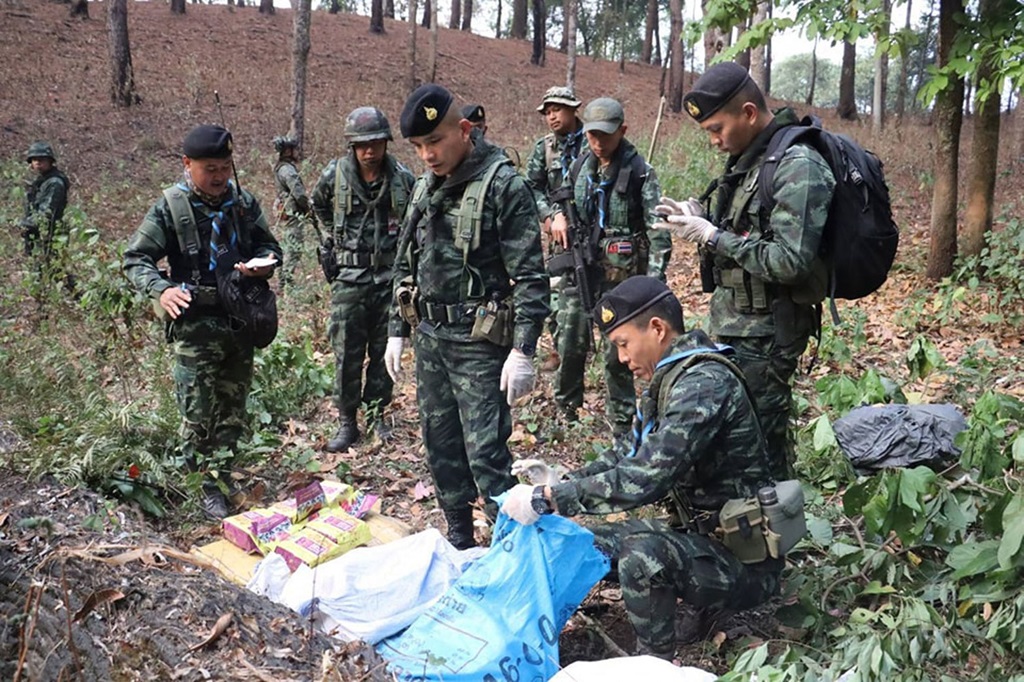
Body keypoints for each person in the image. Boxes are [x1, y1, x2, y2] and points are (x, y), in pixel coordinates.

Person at [501, 275, 782, 660]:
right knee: (583, 542)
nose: (621, 358)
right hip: (705, 541)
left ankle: (654, 664)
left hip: (746, 564)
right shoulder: (668, 380)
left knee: (642, 559)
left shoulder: (703, 383)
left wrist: (553, 499)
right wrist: (562, 481)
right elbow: (626, 454)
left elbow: (648, 476)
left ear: (656, 328)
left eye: (623, 344)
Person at [385, 84, 550, 549]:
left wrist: (523, 350)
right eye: (418, 147)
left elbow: (531, 277)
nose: (427, 155)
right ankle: (459, 533)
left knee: (486, 453)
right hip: (432, 336)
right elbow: (405, 263)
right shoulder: (424, 186)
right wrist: (397, 330)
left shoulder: (503, 185)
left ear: (463, 129)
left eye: (434, 142)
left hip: (480, 342)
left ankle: (511, 543)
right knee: (441, 445)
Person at [657, 62, 835, 479]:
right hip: (738, 325)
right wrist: (700, 217)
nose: (715, 141)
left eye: (718, 129)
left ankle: (777, 535)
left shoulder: (797, 165)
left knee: (761, 447)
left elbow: (791, 261)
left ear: (749, 113)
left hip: (769, 334)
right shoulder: (751, 160)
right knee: (740, 440)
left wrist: (713, 237)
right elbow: (749, 228)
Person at [123, 124, 282, 519]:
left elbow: (270, 245)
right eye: (209, 168)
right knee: (197, 411)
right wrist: (160, 289)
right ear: (187, 164)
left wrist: (263, 264)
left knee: (232, 409)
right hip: (194, 324)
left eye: (225, 167)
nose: (218, 177)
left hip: (238, 318)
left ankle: (220, 480)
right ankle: (198, 484)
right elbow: (135, 257)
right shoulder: (172, 207)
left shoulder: (243, 203)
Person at [549, 97, 672, 438]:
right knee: (570, 341)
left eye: (605, 135)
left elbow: (658, 233)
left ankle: (621, 420)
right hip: (582, 271)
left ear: (623, 131)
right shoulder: (578, 168)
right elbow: (554, 200)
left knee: (617, 351)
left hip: (623, 280)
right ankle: (566, 411)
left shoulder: (640, 172)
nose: (598, 143)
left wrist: (655, 285)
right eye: (591, 136)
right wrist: (555, 215)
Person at [311, 107, 415, 452]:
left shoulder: (402, 177)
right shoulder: (335, 175)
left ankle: (376, 414)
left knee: (385, 348)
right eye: (362, 145)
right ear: (352, 147)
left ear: (385, 143)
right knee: (346, 352)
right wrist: (337, 238)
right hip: (349, 279)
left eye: (375, 143)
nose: (369, 151)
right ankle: (347, 420)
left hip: (389, 276)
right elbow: (318, 205)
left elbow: (417, 217)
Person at [524, 86, 585, 373]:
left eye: (557, 110)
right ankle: (560, 348)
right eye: (547, 112)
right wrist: (549, 216)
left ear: (574, 109)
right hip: (559, 236)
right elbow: (533, 187)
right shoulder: (544, 148)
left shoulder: (594, 140)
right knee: (556, 291)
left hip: (592, 231)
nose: (552, 117)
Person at [271, 135, 311, 290]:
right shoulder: (287, 169)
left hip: (288, 213)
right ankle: (287, 284)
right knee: (293, 249)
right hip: (293, 215)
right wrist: (307, 207)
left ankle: (283, 283)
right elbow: (298, 192)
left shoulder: (281, 167)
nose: (297, 152)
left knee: (287, 247)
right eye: (294, 149)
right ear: (287, 151)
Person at [20, 140, 70, 261]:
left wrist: (24, 224)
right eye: (34, 159)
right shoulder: (41, 181)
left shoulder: (54, 183)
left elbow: (46, 212)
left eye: (42, 159)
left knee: (52, 270)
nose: (38, 162)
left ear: (50, 161)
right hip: (39, 235)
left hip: (51, 235)